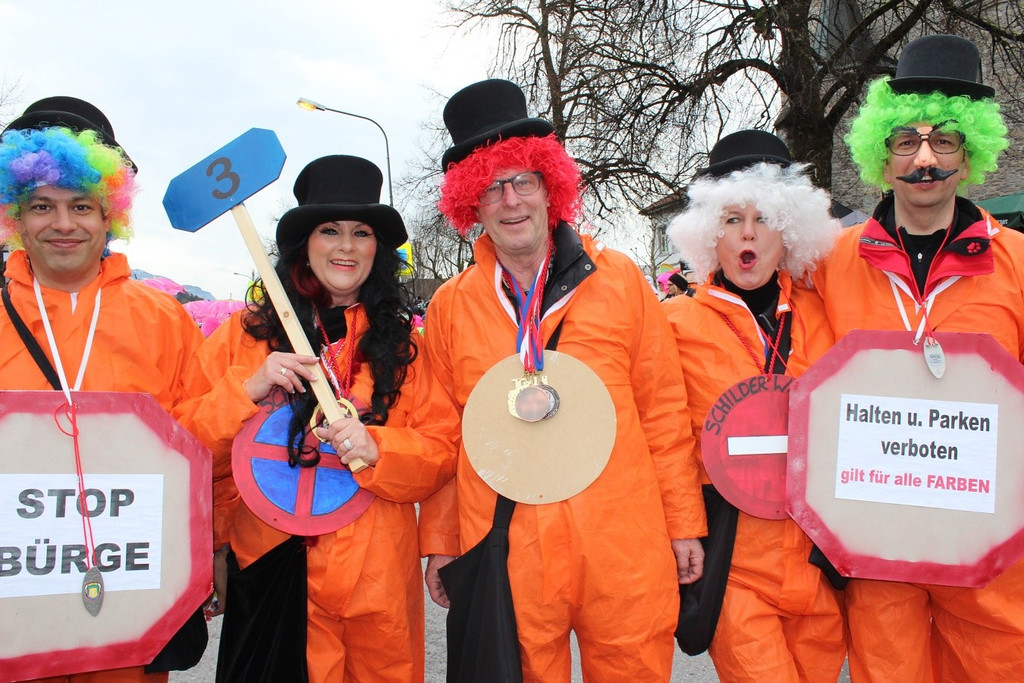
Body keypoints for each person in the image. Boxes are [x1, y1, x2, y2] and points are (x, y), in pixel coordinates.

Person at [419, 78, 707, 681]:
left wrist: (684, 524)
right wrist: (442, 541)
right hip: (510, 541)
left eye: (524, 180)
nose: (511, 201)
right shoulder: (450, 306)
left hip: (621, 537)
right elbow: (444, 435)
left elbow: (663, 412)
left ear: (550, 186)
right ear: (472, 204)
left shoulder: (621, 281)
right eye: (491, 187)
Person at [174, 155, 457, 682]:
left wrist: (380, 449)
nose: (346, 246)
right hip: (272, 568)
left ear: (378, 250)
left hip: (377, 580)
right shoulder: (245, 337)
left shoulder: (404, 347)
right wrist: (247, 392)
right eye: (329, 230)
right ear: (304, 244)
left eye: (361, 233)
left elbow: (443, 450)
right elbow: (183, 448)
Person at [813, 34, 1024, 682]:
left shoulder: (1019, 263)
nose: (924, 159)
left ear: (971, 151)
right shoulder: (831, 263)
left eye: (945, 141)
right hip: (879, 552)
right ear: (882, 153)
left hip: (989, 553)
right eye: (906, 140)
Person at [0, 98, 206, 681]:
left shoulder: (164, 318)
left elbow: (198, 444)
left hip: (129, 601)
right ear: (17, 216)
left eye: (82, 206)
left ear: (109, 214)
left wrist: (214, 546)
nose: (64, 224)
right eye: (42, 206)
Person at [664, 130, 844, 682]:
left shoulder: (826, 314)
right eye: (731, 219)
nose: (747, 233)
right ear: (708, 236)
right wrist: (682, 529)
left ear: (788, 232)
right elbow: (666, 440)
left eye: (763, 218)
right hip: (735, 562)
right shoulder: (674, 325)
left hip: (818, 564)